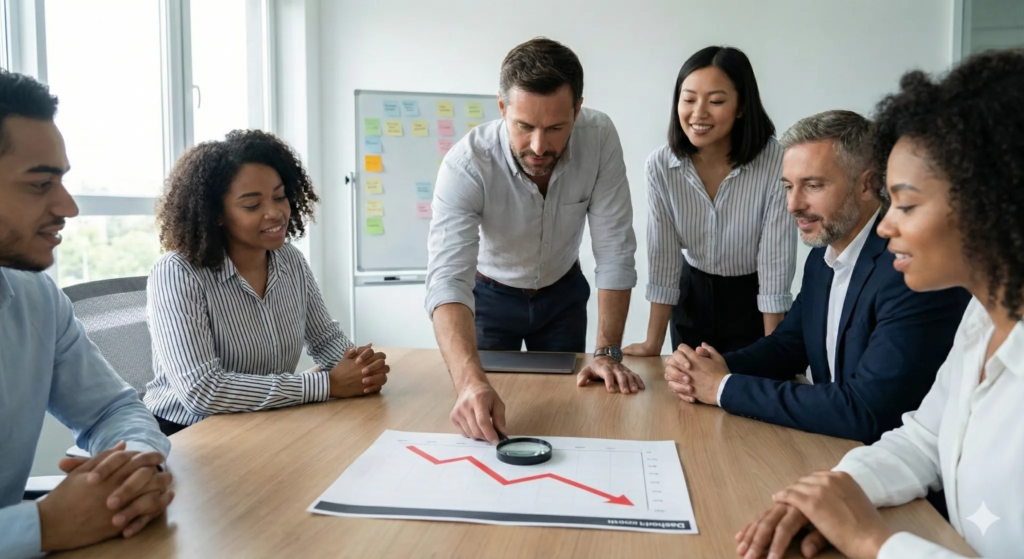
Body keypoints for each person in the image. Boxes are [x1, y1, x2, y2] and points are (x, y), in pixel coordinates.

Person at [735, 49, 1024, 559]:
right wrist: (835, 491)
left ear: (991, 203)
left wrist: (873, 542)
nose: (887, 226)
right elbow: (921, 440)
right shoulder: (982, 318)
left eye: (906, 205)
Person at [664, 110, 970, 443]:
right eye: (788, 186)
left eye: (813, 185)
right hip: (832, 450)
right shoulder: (821, 259)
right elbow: (789, 345)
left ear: (868, 185)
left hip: (898, 474)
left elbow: (867, 411)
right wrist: (712, 366)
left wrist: (723, 387)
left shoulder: (910, 272)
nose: (793, 204)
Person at [425, 37, 642, 444]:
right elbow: (447, 279)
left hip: (562, 295)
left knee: (571, 414)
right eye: (524, 127)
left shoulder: (599, 137)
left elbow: (614, 248)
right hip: (488, 297)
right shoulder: (466, 165)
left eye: (557, 127)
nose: (539, 146)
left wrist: (608, 351)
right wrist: (469, 383)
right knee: (483, 418)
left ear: (578, 109)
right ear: (503, 108)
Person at [0, 70, 174, 558]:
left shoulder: (36, 297)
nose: (68, 207)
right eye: (40, 184)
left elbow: (111, 410)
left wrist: (134, 467)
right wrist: (41, 526)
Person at [145, 130, 389, 435]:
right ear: (217, 213)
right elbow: (202, 390)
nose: (275, 213)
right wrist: (327, 384)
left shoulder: (289, 260)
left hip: (265, 421)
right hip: (187, 434)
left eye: (279, 196)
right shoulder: (178, 273)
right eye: (252, 205)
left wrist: (360, 370)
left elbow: (325, 340)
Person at [624, 46, 795, 358]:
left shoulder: (777, 162)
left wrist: (777, 352)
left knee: (747, 396)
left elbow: (775, 264)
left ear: (742, 106)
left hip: (753, 302)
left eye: (716, 101)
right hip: (692, 298)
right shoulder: (661, 165)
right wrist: (652, 343)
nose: (698, 113)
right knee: (687, 396)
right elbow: (664, 258)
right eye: (688, 99)